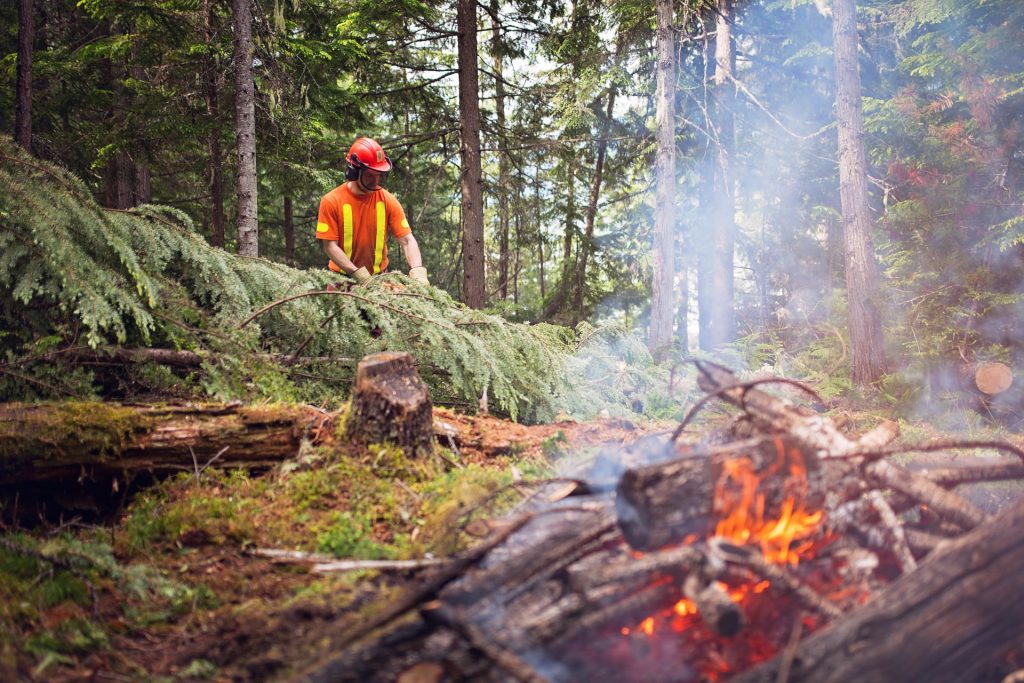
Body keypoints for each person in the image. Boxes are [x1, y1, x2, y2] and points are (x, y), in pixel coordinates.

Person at [316, 137, 429, 286]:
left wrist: (418, 272)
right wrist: (357, 274)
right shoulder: (332, 201)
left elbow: (407, 241)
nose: (375, 181)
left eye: (378, 175)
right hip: (340, 281)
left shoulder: (387, 200)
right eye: (370, 175)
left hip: (378, 280)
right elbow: (330, 246)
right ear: (354, 172)